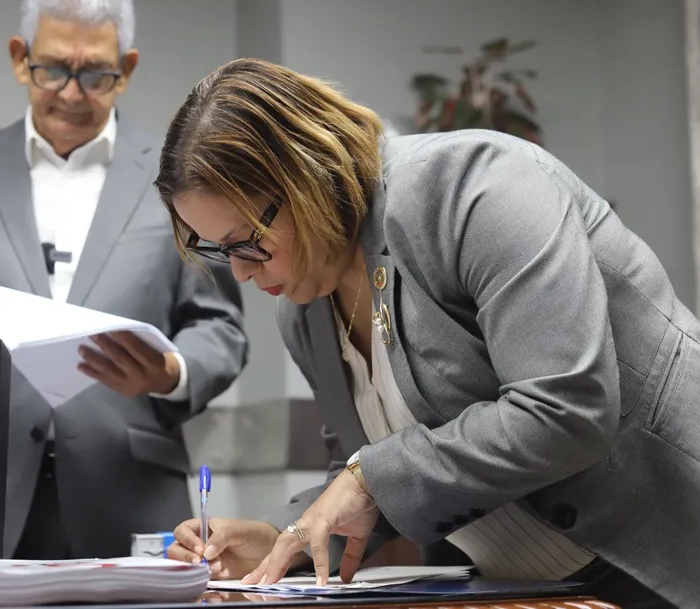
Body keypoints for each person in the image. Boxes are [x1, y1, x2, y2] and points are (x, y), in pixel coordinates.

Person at [156, 58, 696, 608]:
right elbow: (362, 472)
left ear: (306, 175)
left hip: (669, 557)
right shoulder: (303, 311)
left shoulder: (475, 187)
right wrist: (282, 537)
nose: (242, 273)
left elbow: (566, 409)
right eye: (218, 251)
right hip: (532, 592)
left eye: (246, 241)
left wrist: (368, 479)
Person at [0, 0, 247, 560]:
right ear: (20, 58)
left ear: (127, 70)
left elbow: (220, 325)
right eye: (52, 70)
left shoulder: (179, 178)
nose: (71, 93)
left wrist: (171, 371)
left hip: (130, 490)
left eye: (95, 73)